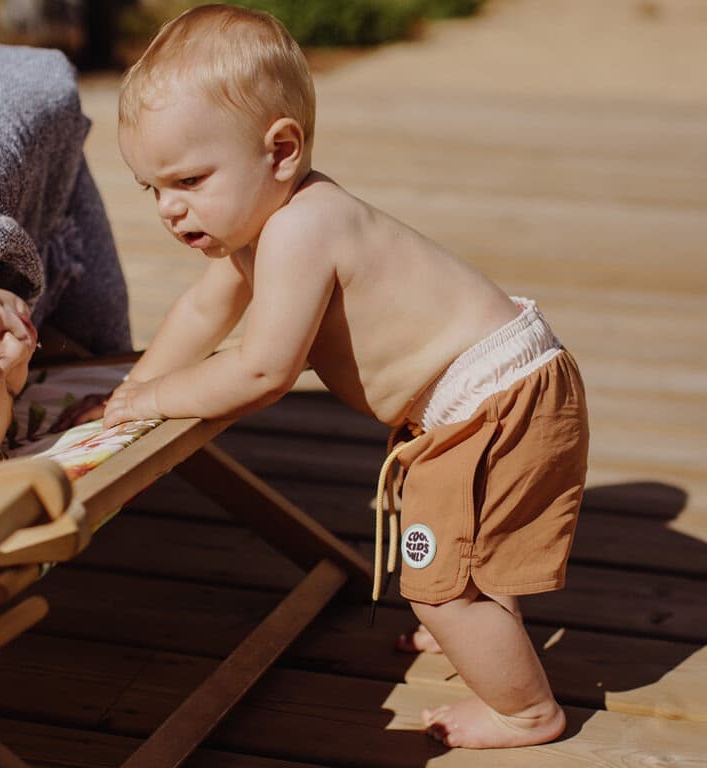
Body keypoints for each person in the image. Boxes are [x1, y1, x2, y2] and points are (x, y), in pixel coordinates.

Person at [103, 4, 589, 750]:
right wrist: (128, 396)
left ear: (282, 151)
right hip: (499, 388)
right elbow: (204, 313)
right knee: (470, 556)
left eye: (190, 179)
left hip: (490, 404)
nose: (171, 209)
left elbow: (262, 370)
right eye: (153, 189)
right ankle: (480, 633)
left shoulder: (303, 227)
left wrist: (162, 398)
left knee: (436, 589)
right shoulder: (257, 231)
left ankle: (526, 711)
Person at [0, 37, 132, 470]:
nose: (22, 350)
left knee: (100, 317)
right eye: (12, 391)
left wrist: (109, 357)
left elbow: (45, 85)